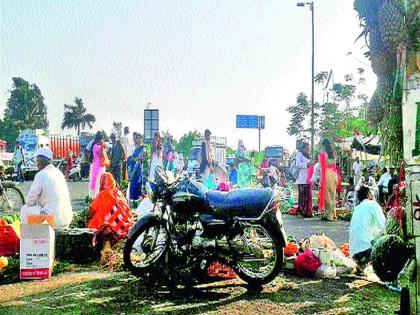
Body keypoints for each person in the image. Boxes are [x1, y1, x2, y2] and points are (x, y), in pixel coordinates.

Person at [20, 148, 73, 229]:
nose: (37, 164)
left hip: (53, 220)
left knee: (24, 210)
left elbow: (30, 201)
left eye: (37, 161)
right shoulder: (59, 173)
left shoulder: (40, 175)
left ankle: (34, 235)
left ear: (41, 162)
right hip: (67, 219)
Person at [349, 185, 386, 271]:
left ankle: (361, 264)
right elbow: (384, 225)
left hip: (354, 253)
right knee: (388, 238)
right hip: (367, 251)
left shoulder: (357, 208)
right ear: (369, 195)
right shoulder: (373, 204)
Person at [87, 172, 134, 238]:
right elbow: (126, 209)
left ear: (103, 182)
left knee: (93, 220)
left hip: (108, 226)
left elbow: (90, 213)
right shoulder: (118, 192)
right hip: (124, 224)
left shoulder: (102, 194)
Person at [314, 139, 340, 221]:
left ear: (324, 145)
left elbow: (321, 167)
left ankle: (328, 215)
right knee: (332, 195)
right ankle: (331, 214)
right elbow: (335, 165)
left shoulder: (323, 154)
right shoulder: (333, 154)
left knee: (326, 196)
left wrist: (321, 178)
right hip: (334, 174)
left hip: (326, 174)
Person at [89, 131, 108, 199]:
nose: (102, 141)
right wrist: (102, 146)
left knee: (101, 181)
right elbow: (100, 154)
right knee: (97, 182)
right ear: (99, 139)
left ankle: (99, 196)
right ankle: (96, 197)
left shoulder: (98, 146)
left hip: (100, 166)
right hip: (97, 167)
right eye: (101, 139)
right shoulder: (95, 146)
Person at [129, 132, 146, 201]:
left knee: (139, 182)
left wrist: (138, 158)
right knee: (133, 183)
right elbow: (131, 157)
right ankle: (132, 199)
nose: (138, 139)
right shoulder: (133, 147)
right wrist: (134, 159)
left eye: (139, 138)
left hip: (138, 168)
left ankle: (138, 199)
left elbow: (144, 158)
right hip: (133, 168)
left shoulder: (143, 148)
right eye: (136, 138)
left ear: (141, 139)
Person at [296, 143, 312, 217]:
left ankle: (307, 212)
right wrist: (306, 164)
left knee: (307, 197)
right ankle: (301, 211)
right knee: (302, 196)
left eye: (308, 148)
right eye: (307, 148)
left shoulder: (308, 156)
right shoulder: (299, 154)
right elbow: (297, 164)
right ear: (303, 148)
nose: (308, 150)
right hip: (301, 179)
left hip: (308, 179)